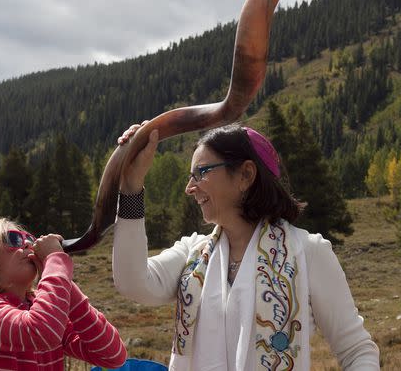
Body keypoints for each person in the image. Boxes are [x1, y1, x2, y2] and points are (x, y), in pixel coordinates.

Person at [113, 122, 380, 370]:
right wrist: (132, 188)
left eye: (201, 172)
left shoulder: (307, 253)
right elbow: (132, 282)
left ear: (245, 175)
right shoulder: (193, 254)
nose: (189, 187)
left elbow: (357, 351)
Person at [0, 218, 127, 370]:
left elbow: (112, 355)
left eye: (30, 238)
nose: (28, 243)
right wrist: (55, 261)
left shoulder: (37, 308)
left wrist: (65, 285)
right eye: (13, 239)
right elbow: (41, 330)